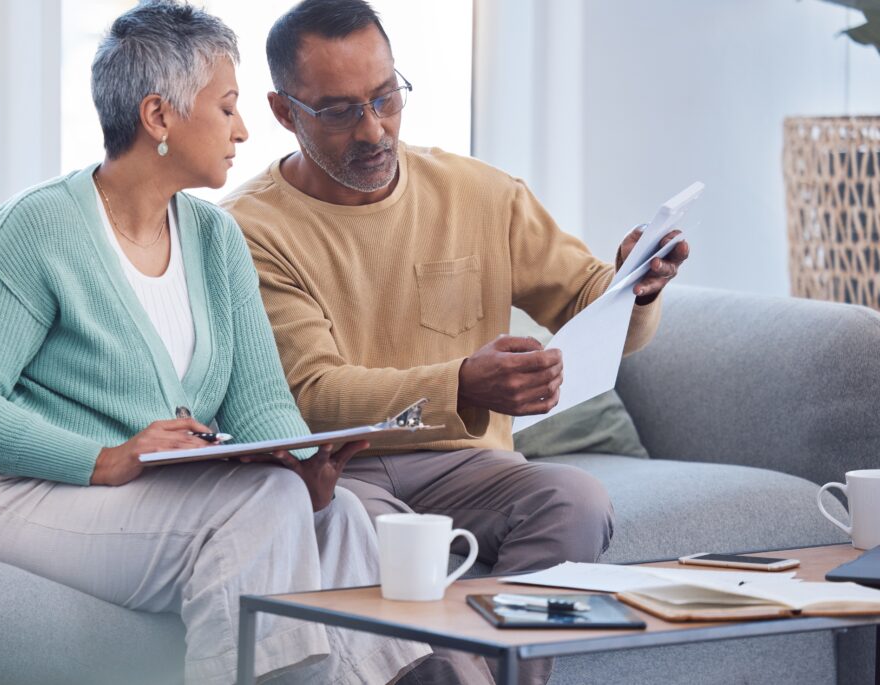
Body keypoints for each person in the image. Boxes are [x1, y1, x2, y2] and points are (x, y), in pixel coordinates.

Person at [0, 3, 431, 684]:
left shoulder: (216, 240)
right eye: (228, 107)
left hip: (128, 498)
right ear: (159, 117)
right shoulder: (35, 229)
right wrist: (105, 457)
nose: (244, 130)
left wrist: (307, 464)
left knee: (342, 516)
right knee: (264, 505)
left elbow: (262, 402)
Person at [221, 1, 690, 682]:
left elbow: (586, 300)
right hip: (339, 468)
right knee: (345, 527)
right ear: (284, 111)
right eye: (341, 110)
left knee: (577, 498)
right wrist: (463, 383)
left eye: (386, 97)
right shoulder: (246, 230)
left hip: (466, 464)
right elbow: (314, 393)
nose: (375, 129)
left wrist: (635, 285)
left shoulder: (481, 194)